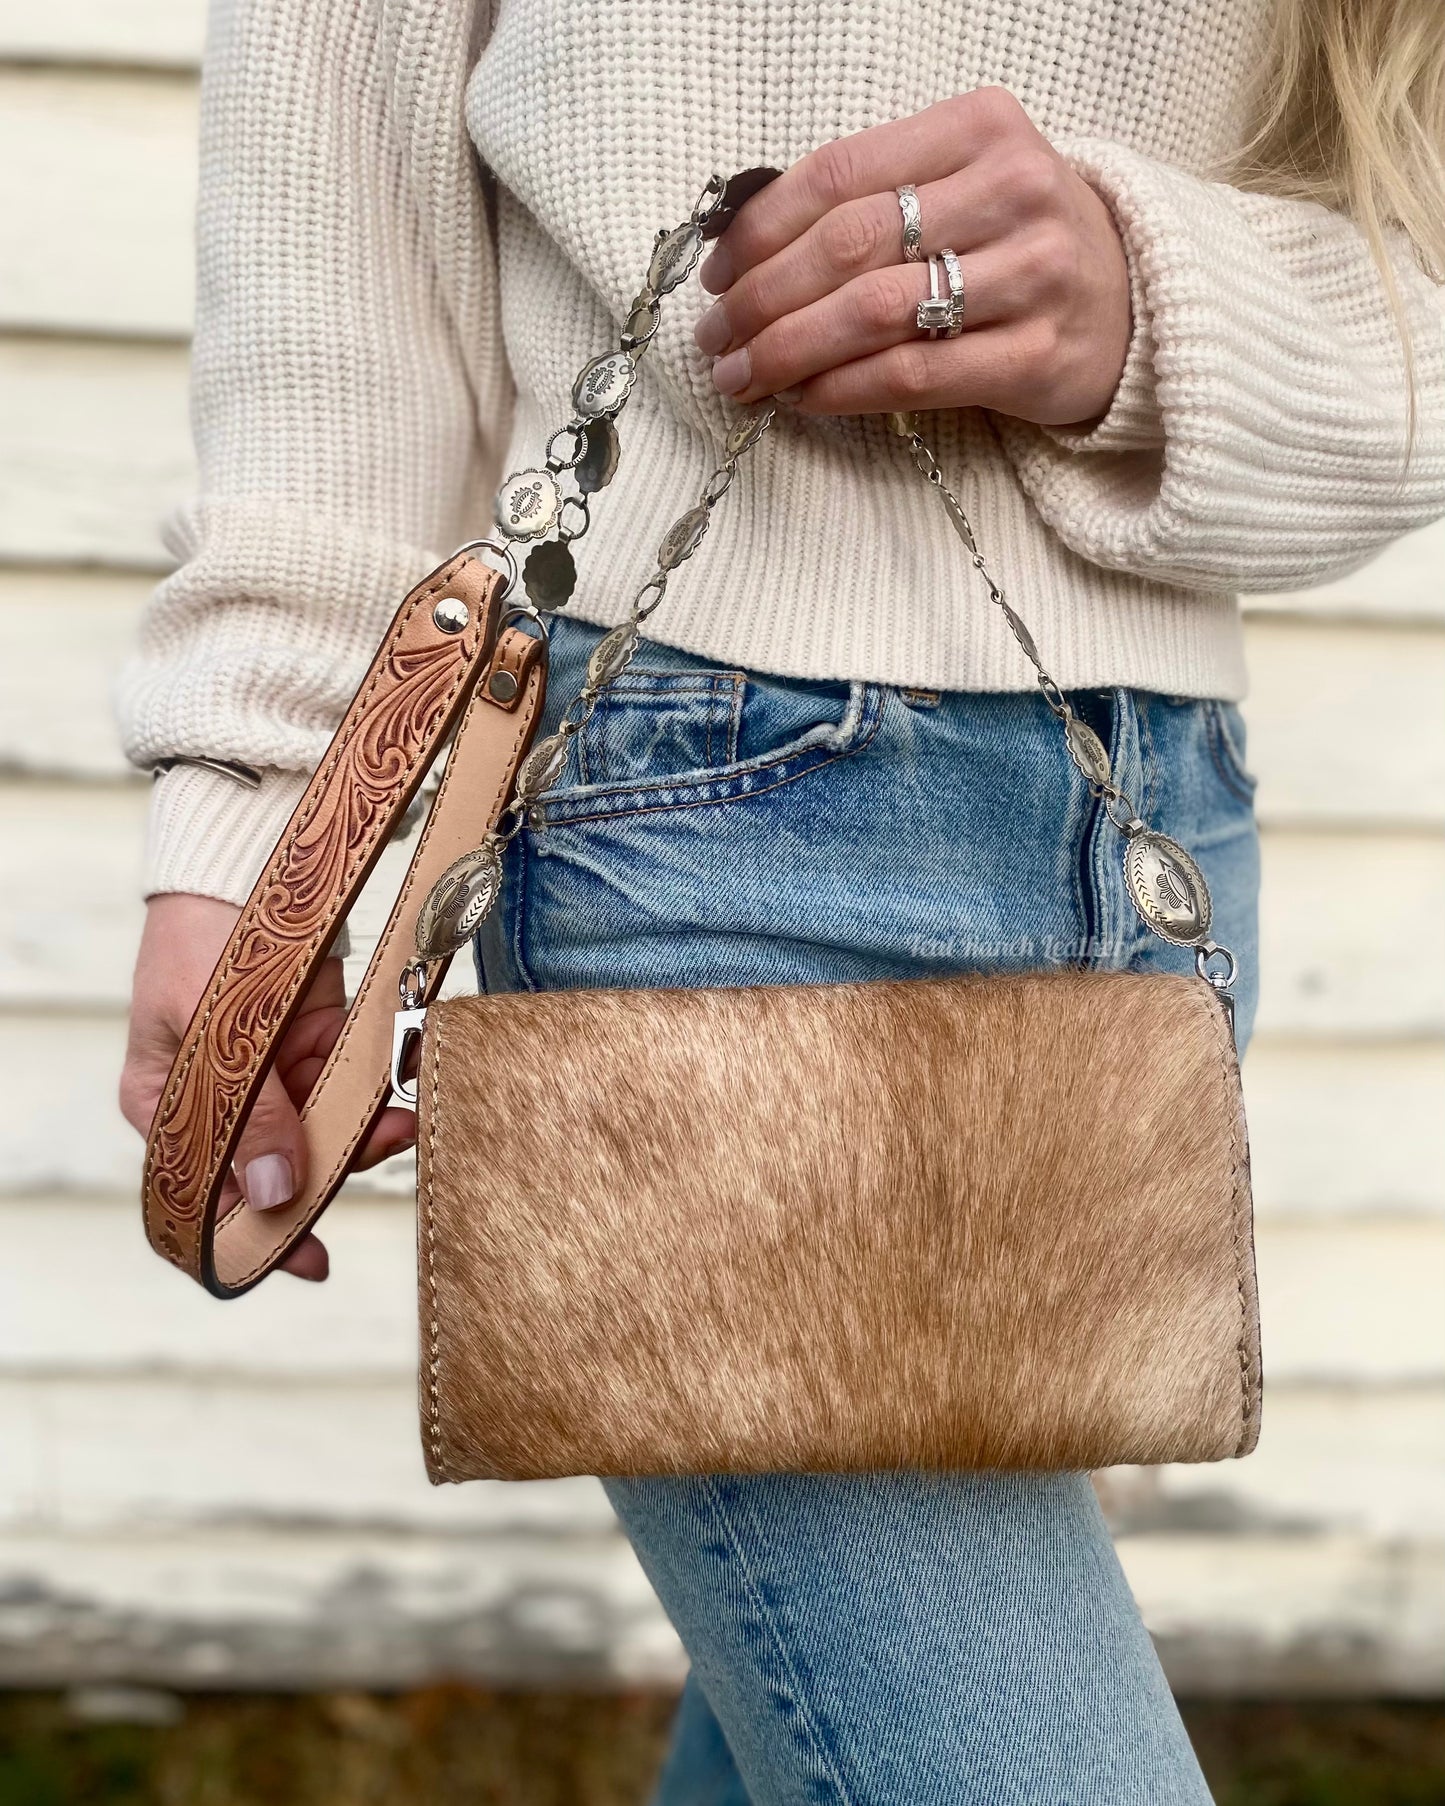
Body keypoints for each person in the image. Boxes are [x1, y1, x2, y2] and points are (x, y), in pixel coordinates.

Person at [118, 2, 1445, 1799]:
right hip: (705, 823)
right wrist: (255, 819)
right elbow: (333, 181)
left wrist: (1157, 303)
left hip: (1141, 838)